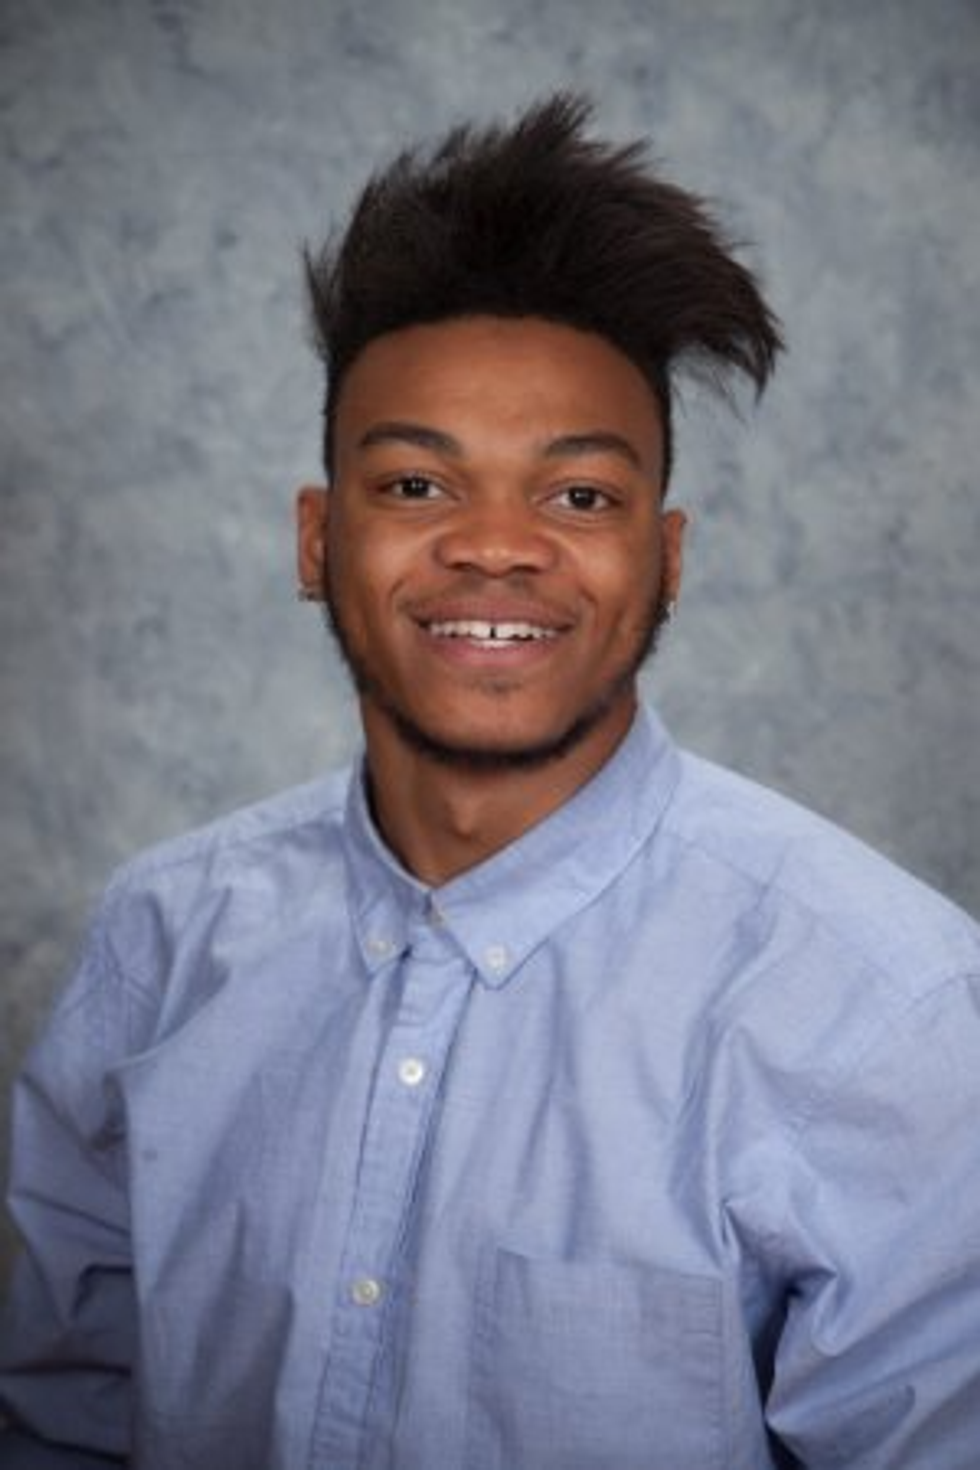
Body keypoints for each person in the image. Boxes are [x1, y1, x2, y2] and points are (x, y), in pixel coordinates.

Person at [1, 93, 978, 1470]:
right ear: (316, 538)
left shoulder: (884, 1012)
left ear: (668, 557)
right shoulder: (161, 944)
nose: (496, 546)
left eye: (579, 496)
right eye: (417, 485)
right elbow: (60, 1424)